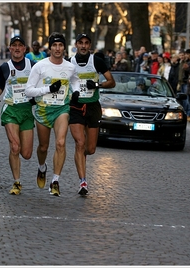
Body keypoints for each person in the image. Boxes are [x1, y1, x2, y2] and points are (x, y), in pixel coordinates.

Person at [24, 32, 80, 196]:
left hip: (62, 108)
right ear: (50, 47)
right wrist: (48, 89)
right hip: (43, 109)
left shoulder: (69, 67)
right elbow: (28, 91)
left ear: (64, 47)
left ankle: (55, 180)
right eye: (54, 45)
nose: (57, 48)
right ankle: (42, 167)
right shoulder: (40, 66)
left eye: (60, 45)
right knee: (43, 146)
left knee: (61, 143)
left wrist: (75, 91)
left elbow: (75, 80)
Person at [69, 33, 116, 195]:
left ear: (90, 45)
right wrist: (71, 94)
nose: (83, 46)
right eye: (80, 43)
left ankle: (81, 156)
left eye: (86, 43)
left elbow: (112, 82)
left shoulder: (96, 61)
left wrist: (96, 84)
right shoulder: (69, 63)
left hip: (93, 107)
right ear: (76, 44)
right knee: (79, 143)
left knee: (90, 149)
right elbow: (62, 82)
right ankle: (83, 182)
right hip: (75, 107)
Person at [0, 36, 36, 195]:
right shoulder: (5, 67)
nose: (17, 48)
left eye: (20, 46)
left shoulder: (33, 65)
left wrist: (36, 98)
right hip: (10, 109)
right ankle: (17, 182)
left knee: (27, 154)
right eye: (14, 45)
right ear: (10, 48)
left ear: (25, 49)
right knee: (15, 147)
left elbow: (40, 84)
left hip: (26, 111)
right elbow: (1, 83)